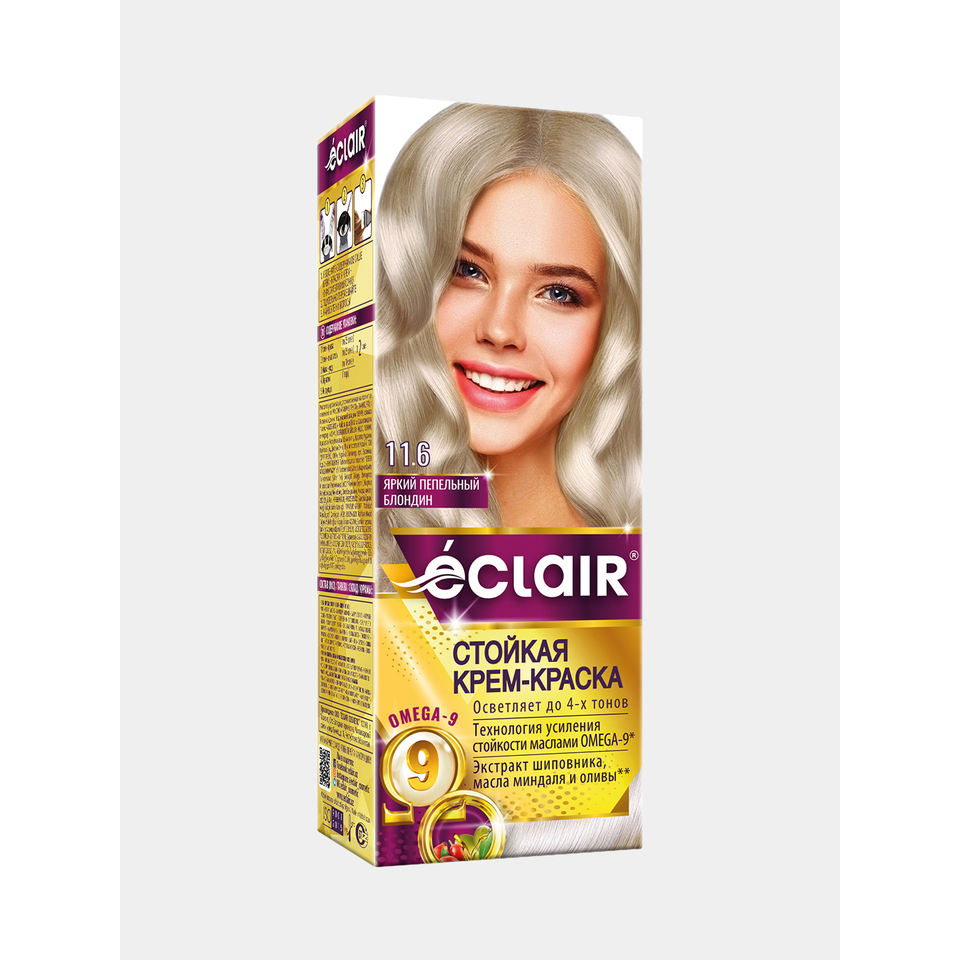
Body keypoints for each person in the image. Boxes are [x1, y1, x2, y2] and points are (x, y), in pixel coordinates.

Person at [376, 102, 642, 561]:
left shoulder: (627, 553)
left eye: (558, 293)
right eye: (467, 270)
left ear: (616, 327)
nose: (500, 329)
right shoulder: (357, 530)